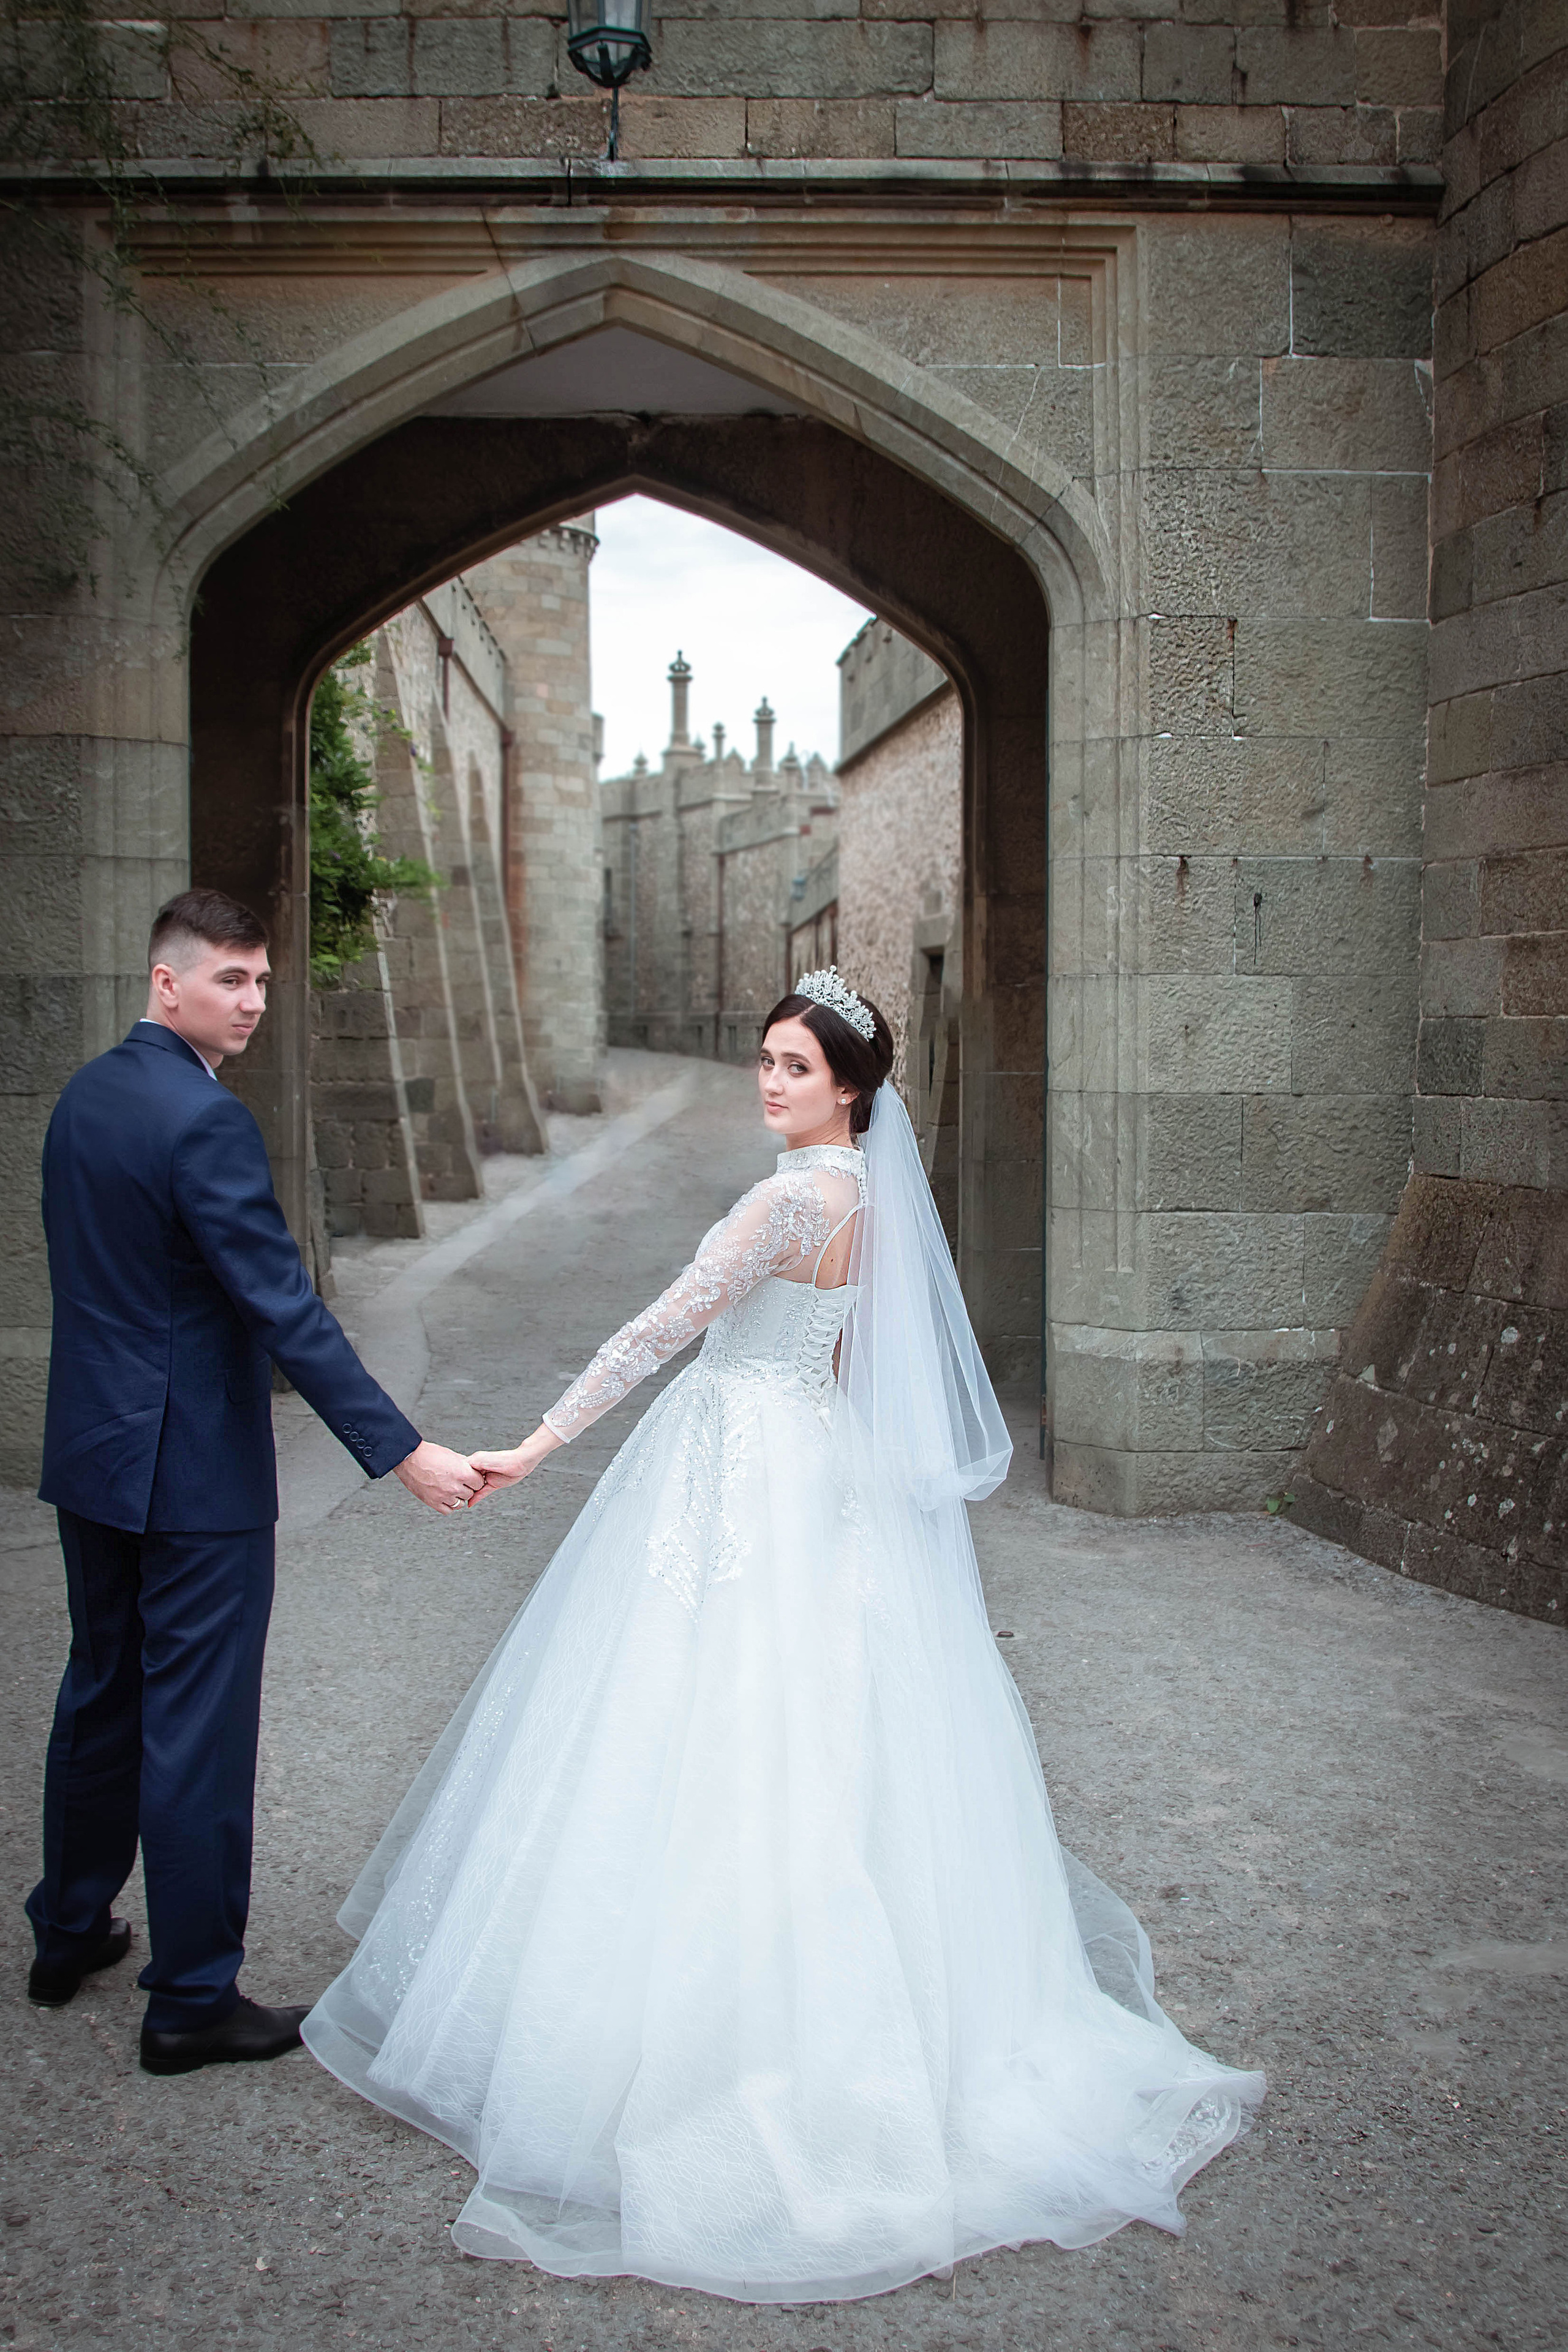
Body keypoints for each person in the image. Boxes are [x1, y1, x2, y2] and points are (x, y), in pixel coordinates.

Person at [302, 969, 1265, 2302]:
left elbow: (657, 1332)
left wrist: (533, 1445)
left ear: (850, 1089)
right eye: (764, 1060)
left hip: (731, 1456)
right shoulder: (870, 1202)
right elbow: (854, 1363)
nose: (769, 1083)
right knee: (814, 1718)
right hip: (807, 1463)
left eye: (795, 1068)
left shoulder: (787, 1202)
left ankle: (690, 2047)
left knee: (691, 1711)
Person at [27, 888, 481, 2078]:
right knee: (197, 1729)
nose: (254, 1003)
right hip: (193, 1473)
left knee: (101, 1689)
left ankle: (66, 1931)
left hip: (93, 1451)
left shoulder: (83, 1098)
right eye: (231, 979)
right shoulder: (205, 1121)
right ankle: (189, 2001)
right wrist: (402, 1449)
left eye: (263, 981)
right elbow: (283, 1306)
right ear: (165, 981)